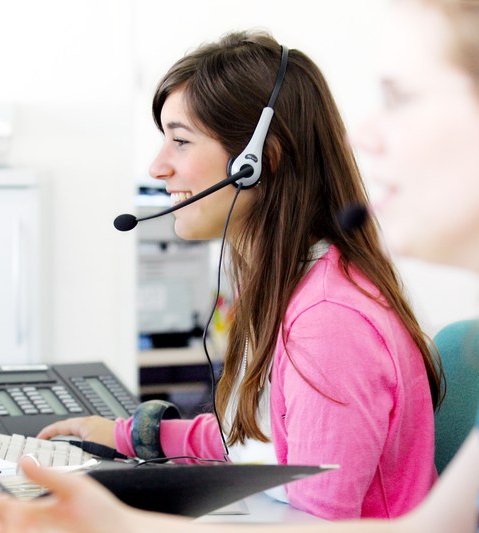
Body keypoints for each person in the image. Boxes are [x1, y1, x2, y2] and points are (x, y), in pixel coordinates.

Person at [0, 0, 479, 531]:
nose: (367, 134)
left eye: (400, 98)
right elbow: (280, 453)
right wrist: (134, 450)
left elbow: (321, 514)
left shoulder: (329, 318)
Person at [48, 30, 441, 520]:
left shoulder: (328, 319)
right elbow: (265, 443)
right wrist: (131, 435)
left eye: (181, 142)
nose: (157, 166)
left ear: (257, 162)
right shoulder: (291, 285)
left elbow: (319, 520)